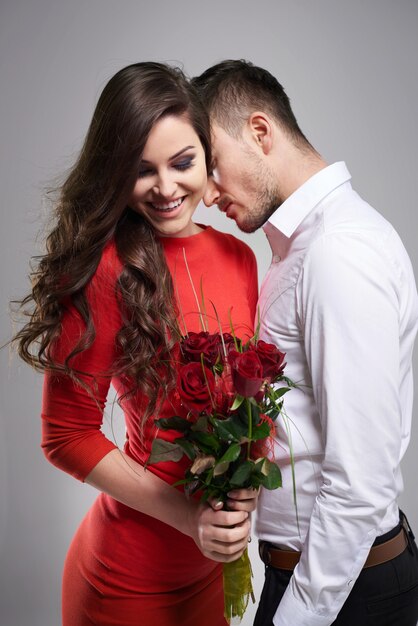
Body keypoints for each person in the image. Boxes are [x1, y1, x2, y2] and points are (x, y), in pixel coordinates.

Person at [13, 62, 259, 626]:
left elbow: (246, 404)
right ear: (115, 173)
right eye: (141, 170)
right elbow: (66, 436)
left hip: (208, 573)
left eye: (183, 163)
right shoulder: (106, 270)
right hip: (125, 582)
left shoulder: (239, 259)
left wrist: (245, 489)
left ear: (206, 154)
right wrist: (189, 519)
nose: (167, 188)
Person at [193, 59, 418, 625]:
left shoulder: (337, 249)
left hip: (340, 593)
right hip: (320, 578)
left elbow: (361, 480)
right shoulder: (300, 248)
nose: (206, 194)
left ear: (260, 132)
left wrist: (297, 617)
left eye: (213, 166)